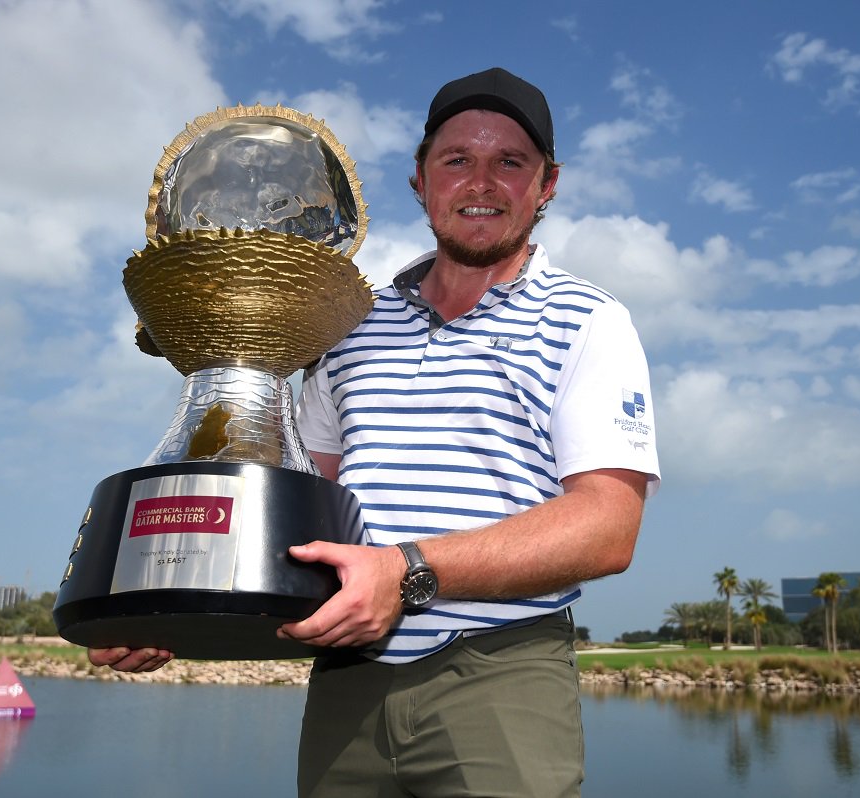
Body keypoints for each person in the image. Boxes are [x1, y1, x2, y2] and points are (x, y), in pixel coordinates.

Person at [90, 66, 660, 798]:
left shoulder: (589, 320)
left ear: (546, 184)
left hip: (500, 670)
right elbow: (303, 502)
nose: (481, 182)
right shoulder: (350, 324)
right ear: (421, 181)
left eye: (509, 163)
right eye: (457, 161)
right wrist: (179, 596)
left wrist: (407, 570)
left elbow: (608, 526)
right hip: (349, 676)